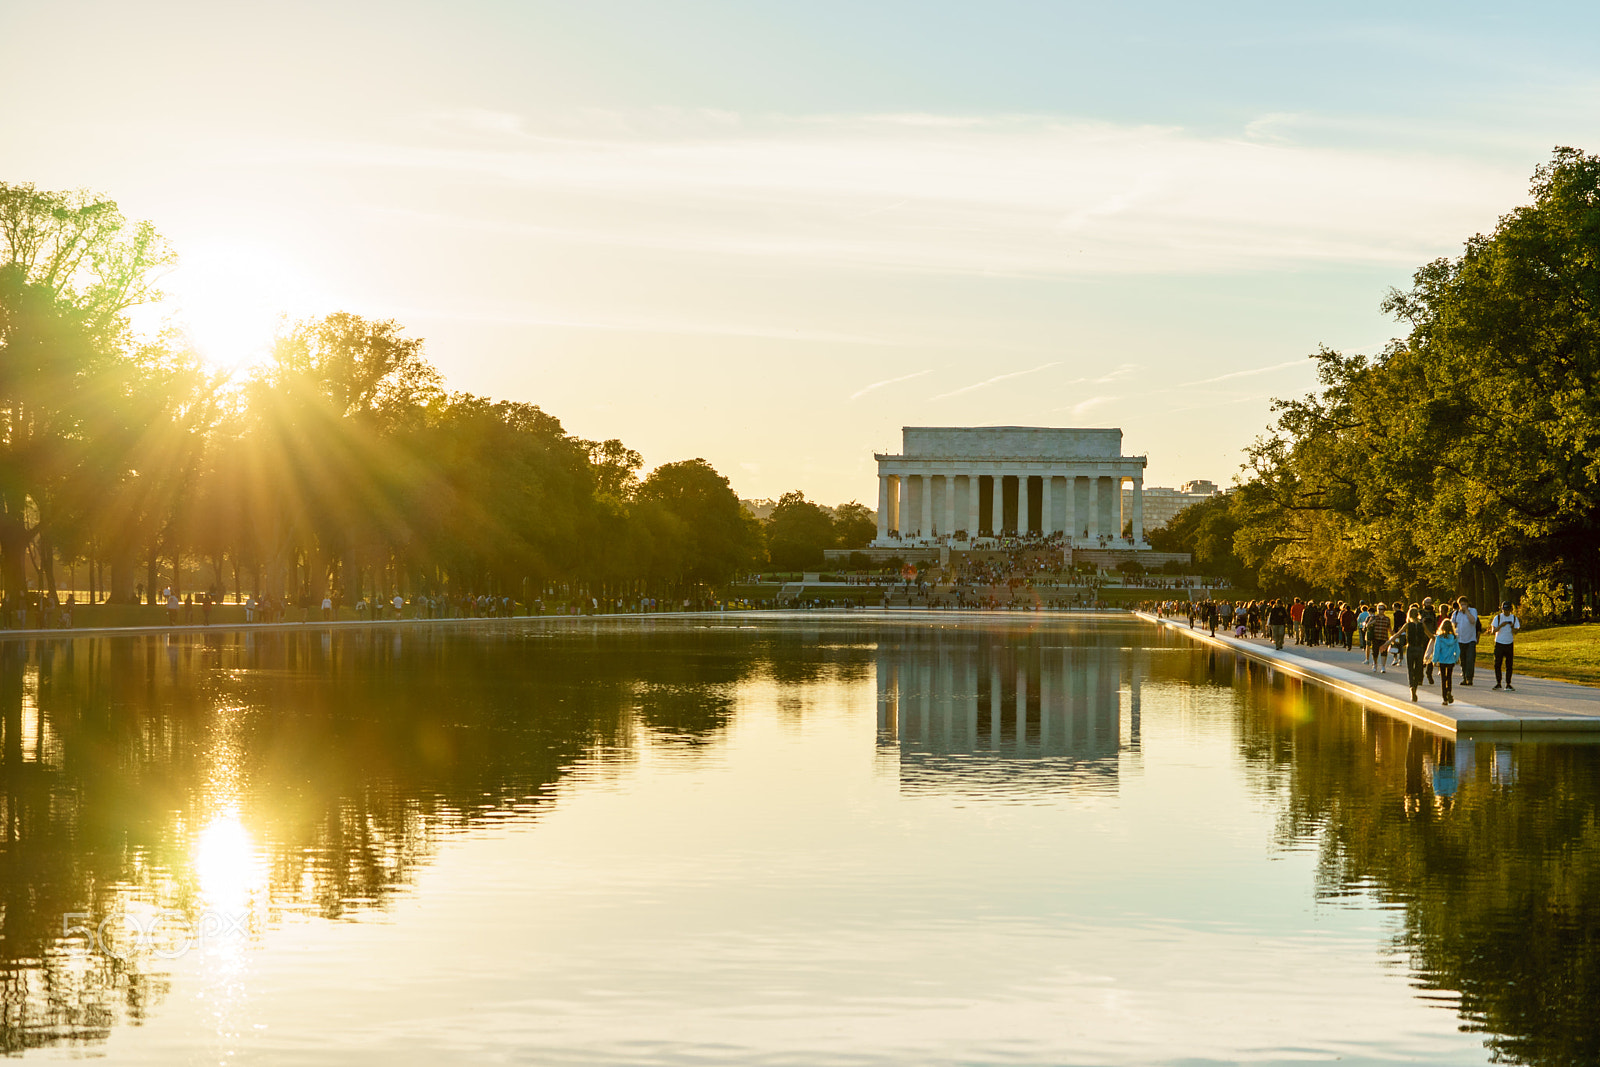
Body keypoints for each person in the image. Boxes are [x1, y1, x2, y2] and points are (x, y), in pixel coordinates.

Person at [1396, 605, 1429, 702]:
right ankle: (1415, 688)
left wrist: (1387, 643)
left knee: (1410, 670)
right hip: (1419, 649)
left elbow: (1397, 634)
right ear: (1418, 615)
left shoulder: (1407, 625)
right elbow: (1430, 635)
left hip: (1410, 649)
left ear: (1409, 615)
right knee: (1418, 670)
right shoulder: (1422, 625)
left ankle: (1411, 689)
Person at [1490, 601, 1520, 691]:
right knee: (1497, 664)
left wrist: (1511, 626)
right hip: (1499, 643)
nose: (1506, 612)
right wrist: (1501, 626)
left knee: (1509, 665)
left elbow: (1516, 631)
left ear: (1511, 610)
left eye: (1508, 610)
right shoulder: (1498, 618)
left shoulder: (1514, 618)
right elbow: (1493, 631)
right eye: (1504, 610)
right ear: (1502, 609)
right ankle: (1498, 682)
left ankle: (1508, 683)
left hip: (1509, 643)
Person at [1451, 596, 1480, 686]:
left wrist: (1466, 611)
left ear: (1467, 604)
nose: (1463, 606)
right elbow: (1452, 625)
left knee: (1470, 659)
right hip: (1460, 640)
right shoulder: (1456, 613)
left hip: (1470, 639)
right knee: (1462, 660)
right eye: (1461, 604)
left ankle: (1469, 678)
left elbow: (1473, 621)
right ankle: (1464, 677)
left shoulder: (1472, 611)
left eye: (1464, 604)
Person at [1433, 618, 1461, 706]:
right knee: (1449, 678)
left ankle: (1445, 699)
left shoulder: (1439, 638)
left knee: (1443, 679)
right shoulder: (1454, 638)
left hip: (1442, 660)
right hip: (1451, 660)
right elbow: (1458, 650)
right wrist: (1456, 658)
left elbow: (1436, 650)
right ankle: (1449, 691)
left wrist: (1434, 660)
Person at [1367, 602, 1391, 673]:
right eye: (1378, 609)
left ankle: (1383, 666)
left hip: (1384, 637)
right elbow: (1367, 626)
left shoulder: (1387, 619)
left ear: (1384, 610)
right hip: (1375, 637)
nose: (1380, 610)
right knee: (1375, 652)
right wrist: (1372, 622)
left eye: (1381, 609)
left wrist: (1393, 637)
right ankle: (1375, 664)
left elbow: (1389, 628)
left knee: (1384, 652)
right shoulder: (1374, 617)